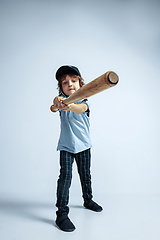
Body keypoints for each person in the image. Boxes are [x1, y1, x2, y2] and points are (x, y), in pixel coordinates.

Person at [50, 65, 103, 232]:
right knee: (65, 177)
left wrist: (69, 106)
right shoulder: (61, 100)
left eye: (74, 80)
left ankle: (88, 200)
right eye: (65, 82)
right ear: (61, 88)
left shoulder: (84, 103)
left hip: (84, 147)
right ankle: (61, 214)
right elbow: (53, 106)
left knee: (85, 174)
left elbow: (80, 109)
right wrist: (57, 103)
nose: (70, 84)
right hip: (66, 146)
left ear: (81, 84)